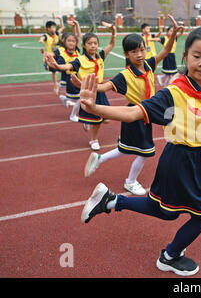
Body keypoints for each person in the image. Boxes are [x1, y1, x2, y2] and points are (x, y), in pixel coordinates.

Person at [79, 0, 201, 277]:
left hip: (199, 157)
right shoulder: (174, 92)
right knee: (200, 216)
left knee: (166, 210)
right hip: (179, 158)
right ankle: (169, 255)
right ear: (185, 57)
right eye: (197, 56)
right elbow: (135, 113)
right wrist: (95, 107)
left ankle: (112, 201)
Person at [81, 15, 181, 196]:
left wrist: (173, 33)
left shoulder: (149, 65)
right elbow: (107, 86)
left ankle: (99, 159)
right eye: (134, 52)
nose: (140, 55)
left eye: (141, 50)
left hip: (146, 112)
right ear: (126, 54)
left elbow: (166, 50)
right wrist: (93, 87)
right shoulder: (124, 75)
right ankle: (130, 181)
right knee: (145, 151)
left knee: (126, 148)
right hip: (134, 114)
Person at [46, 22, 117, 151]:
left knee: (106, 120)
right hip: (88, 91)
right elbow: (67, 67)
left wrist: (113, 31)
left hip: (100, 90)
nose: (93, 45)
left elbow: (111, 44)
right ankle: (94, 139)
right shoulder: (80, 60)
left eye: (95, 43)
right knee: (97, 120)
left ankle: (87, 120)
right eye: (90, 43)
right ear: (84, 45)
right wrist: (56, 66)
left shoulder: (100, 56)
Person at [39, 16, 65, 96]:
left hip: (58, 56)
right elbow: (42, 37)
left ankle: (63, 83)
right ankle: (55, 85)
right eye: (53, 27)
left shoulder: (56, 34)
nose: (55, 28)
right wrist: (41, 40)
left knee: (63, 69)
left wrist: (60, 19)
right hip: (51, 57)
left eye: (55, 27)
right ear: (48, 29)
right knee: (53, 72)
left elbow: (62, 27)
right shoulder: (46, 36)